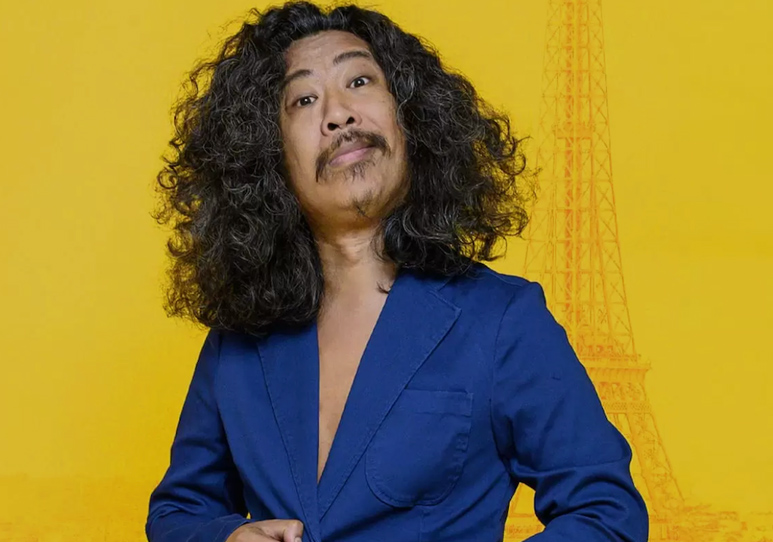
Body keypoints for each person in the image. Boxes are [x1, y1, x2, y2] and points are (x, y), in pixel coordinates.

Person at [145, 2, 649, 542]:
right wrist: (226, 538)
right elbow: (179, 511)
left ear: (412, 117)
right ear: (267, 154)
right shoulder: (236, 341)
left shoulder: (504, 320)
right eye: (304, 99)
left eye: (359, 81)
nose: (338, 115)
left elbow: (607, 514)